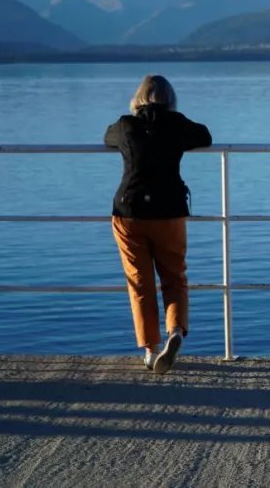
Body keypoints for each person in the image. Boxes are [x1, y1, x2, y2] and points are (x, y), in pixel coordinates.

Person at [105, 75, 212, 374]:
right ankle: (175, 332)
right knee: (174, 277)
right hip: (168, 211)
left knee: (139, 282)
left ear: (138, 98)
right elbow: (204, 136)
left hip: (129, 211)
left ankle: (151, 352)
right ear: (170, 99)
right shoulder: (177, 124)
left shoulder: (125, 125)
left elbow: (107, 137)